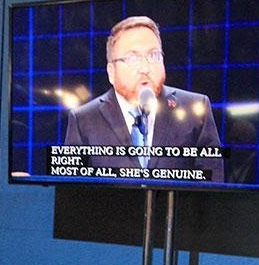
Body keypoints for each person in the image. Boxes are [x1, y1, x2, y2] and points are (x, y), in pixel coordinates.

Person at [63, 15, 224, 182]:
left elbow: (212, 189)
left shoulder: (196, 109)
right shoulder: (84, 120)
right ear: (111, 72)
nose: (145, 68)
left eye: (153, 55)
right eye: (133, 58)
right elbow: (72, 194)